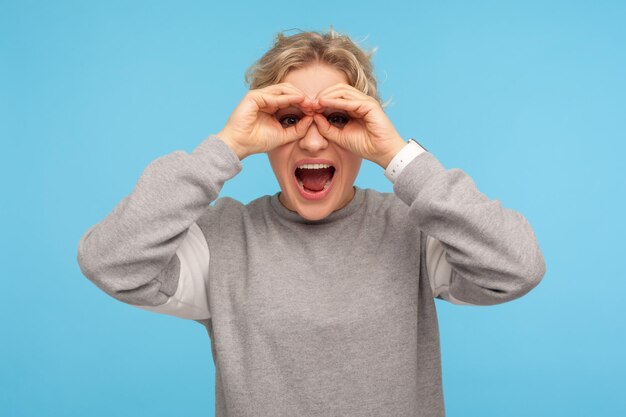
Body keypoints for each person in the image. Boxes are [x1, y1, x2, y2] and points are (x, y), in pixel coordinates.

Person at [77, 27, 546, 417]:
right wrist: (224, 147)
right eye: (290, 118)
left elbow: (517, 267)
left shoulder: (413, 229)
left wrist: (399, 156)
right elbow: (111, 262)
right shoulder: (223, 239)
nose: (316, 143)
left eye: (339, 118)